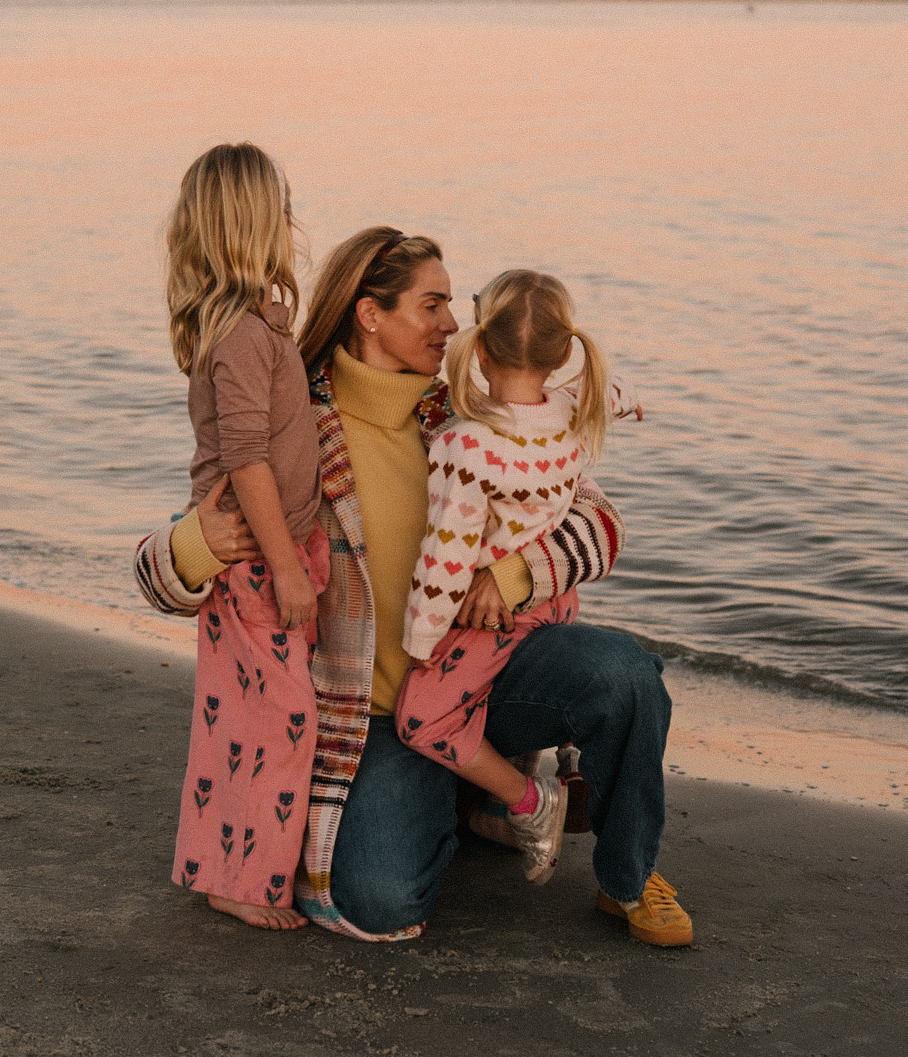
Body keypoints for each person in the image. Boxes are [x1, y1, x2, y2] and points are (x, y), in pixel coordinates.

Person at [135, 227, 690, 947]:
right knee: (382, 901)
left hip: (493, 674)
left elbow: (599, 518)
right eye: (431, 306)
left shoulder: (463, 412)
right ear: (371, 314)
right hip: (380, 718)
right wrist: (196, 543)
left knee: (625, 675)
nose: (454, 324)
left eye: (452, 305)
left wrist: (512, 574)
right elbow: (158, 581)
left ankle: (629, 877)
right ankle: (466, 799)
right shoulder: (294, 430)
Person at [395, 268, 638, 885]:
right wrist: (633, 400)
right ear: (563, 354)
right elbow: (614, 393)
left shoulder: (469, 445)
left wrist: (420, 644)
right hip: (557, 602)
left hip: (494, 617)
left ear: (478, 344)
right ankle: (541, 778)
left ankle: (534, 804)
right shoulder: (573, 408)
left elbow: (447, 560)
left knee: (422, 720)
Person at [162, 144, 327, 930]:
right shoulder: (240, 337)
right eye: (281, 210)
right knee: (274, 723)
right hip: (254, 561)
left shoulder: (259, 325)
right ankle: (238, 878)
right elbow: (246, 456)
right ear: (259, 224)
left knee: (248, 718)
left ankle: (233, 861)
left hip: (268, 553)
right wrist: (289, 567)